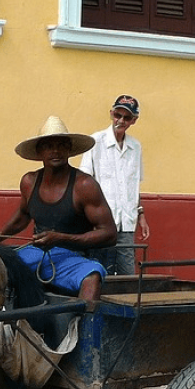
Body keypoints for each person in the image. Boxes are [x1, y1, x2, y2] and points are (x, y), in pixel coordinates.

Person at [0, 116, 117, 303]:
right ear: (39, 151)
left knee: (92, 276)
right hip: (34, 253)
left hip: (72, 257)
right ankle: (5, 327)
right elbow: (23, 215)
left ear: (69, 149)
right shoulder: (29, 182)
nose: (56, 150)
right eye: (48, 145)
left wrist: (61, 238)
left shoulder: (84, 185)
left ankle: (81, 330)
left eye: (62, 145)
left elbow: (109, 234)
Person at [79, 94, 150, 275]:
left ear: (134, 120)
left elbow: (133, 186)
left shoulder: (135, 147)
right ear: (111, 113)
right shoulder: (96, 141)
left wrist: (141, 214)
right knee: (100, 272)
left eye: (127, 117)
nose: (121, 120)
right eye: (118, 115)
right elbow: (84, 183)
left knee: (128, 275)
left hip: (126, 222)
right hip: (100, 223)